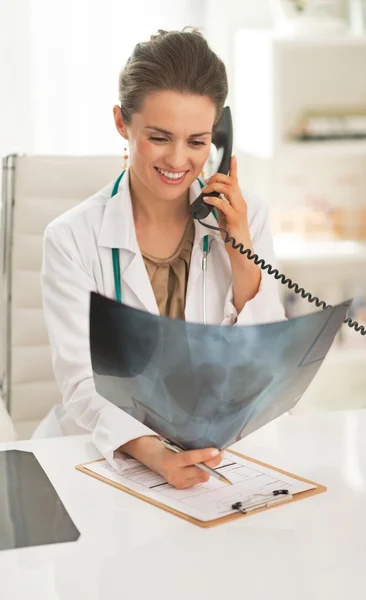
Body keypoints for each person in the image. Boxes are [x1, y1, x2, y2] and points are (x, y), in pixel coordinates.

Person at [34, 28, 285, 489]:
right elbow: (80, 386)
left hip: (216, 459)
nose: (177, 159)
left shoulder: (247, 220)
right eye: (159, 137)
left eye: (197, 141)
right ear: (121, 123)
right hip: (102, 463)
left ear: (219, 138)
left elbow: (264, 365)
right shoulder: (71, 238)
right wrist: (157, 455)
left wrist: (240, 247)